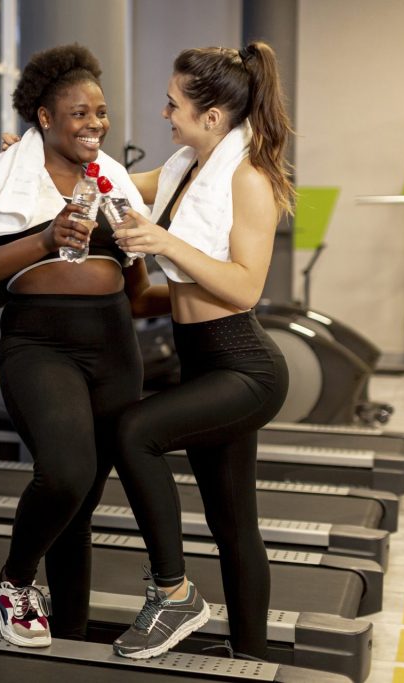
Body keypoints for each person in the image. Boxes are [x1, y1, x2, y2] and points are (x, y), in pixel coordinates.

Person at [0, 43, 166, 648]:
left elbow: (139, 289)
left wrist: (223, 291)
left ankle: (70, 639)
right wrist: (46, 238)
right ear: (44, 117)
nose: (95, 124)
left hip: (112, 341)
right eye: (79, 113)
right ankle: (17, 582)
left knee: (82, 506)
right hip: (38, 339)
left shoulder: (113, 180)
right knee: (65, 475)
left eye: (100, 113)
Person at [107, 42, 294, 660]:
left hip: (244, 366)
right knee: (234, 525)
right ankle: (252, 661)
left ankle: (174, 594)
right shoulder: (186, 165)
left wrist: (163, 241)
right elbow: (112, 185)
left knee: (134, 432)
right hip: (203, 356)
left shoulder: (249, 179)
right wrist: (37, 162)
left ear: (212, 116)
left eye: (172, 104)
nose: (165, 114)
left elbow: (244, 287)